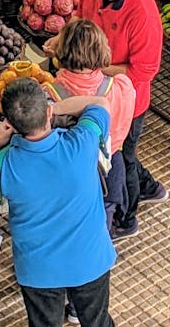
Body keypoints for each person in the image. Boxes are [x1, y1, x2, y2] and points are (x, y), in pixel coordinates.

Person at [0, 78, 116, 327]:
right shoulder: (82, 142)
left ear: (10, 124)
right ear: (47, 111)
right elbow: (100, 103)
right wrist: (50, 108)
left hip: (40, 272)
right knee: (97, 321)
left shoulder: (3, 164)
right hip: (90, 260)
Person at [43, 0, 166, 239]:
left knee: (123, 156)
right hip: (98, 83)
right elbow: (81, 20)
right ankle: (151, 186)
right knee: (117, 155)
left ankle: (126, 218)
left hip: (126, 99)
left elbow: (144, 71)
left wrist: (94, 65)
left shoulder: (142, 13)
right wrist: (62, 38)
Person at [44, 18, 135, 231]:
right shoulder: (120, 87)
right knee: (105, 219)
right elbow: (122, 128)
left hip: (71, 178)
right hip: (111, 167)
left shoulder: (50, 96)